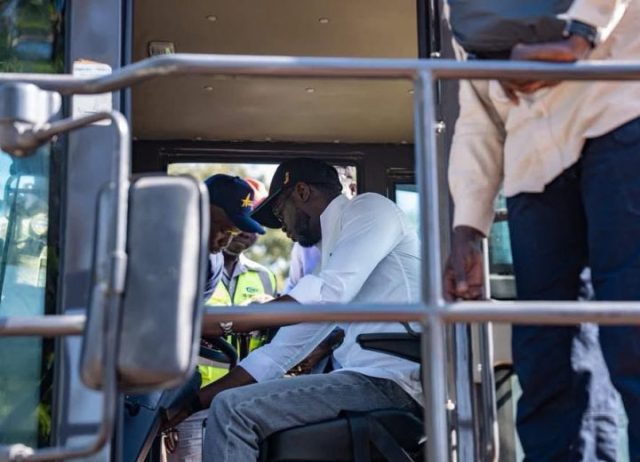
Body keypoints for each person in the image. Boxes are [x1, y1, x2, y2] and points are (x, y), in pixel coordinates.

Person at [445, 1, 640, 460]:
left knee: (633, 337)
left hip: (619, 116)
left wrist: (581, 34)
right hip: (532, 170)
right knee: (545, 362)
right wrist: (468, 225)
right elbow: (476, 112)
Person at [165, 158, 422, 461]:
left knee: (233, 412)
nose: (282, 227)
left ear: (302, 192)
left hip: (390, 382)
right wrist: (192, 404)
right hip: (363, 378)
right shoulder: (336, 259)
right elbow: (280, 353)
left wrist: (225, 323)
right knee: (229, 406)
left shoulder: (370, 209)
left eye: (279, 212)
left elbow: (330, 293)